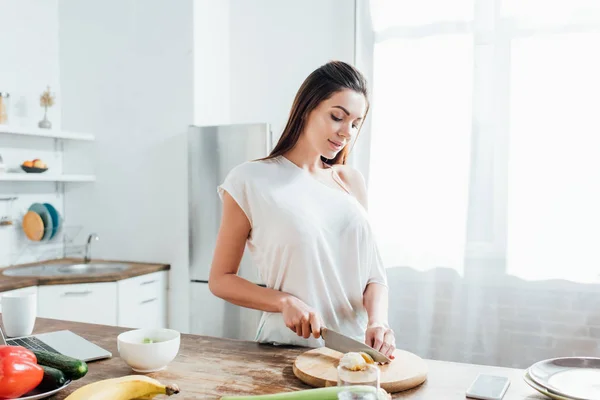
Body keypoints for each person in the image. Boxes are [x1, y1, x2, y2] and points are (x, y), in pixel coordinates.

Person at [208, 60, 395, 358]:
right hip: (287, 351)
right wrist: (284, 302)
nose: (347, 132)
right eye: (337, 117)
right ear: (306, 109)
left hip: (355, 353)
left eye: (355, 123)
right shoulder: (250, 180)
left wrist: (378, 322)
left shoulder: (350, 181)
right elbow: (220, 279)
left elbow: (374, 275)